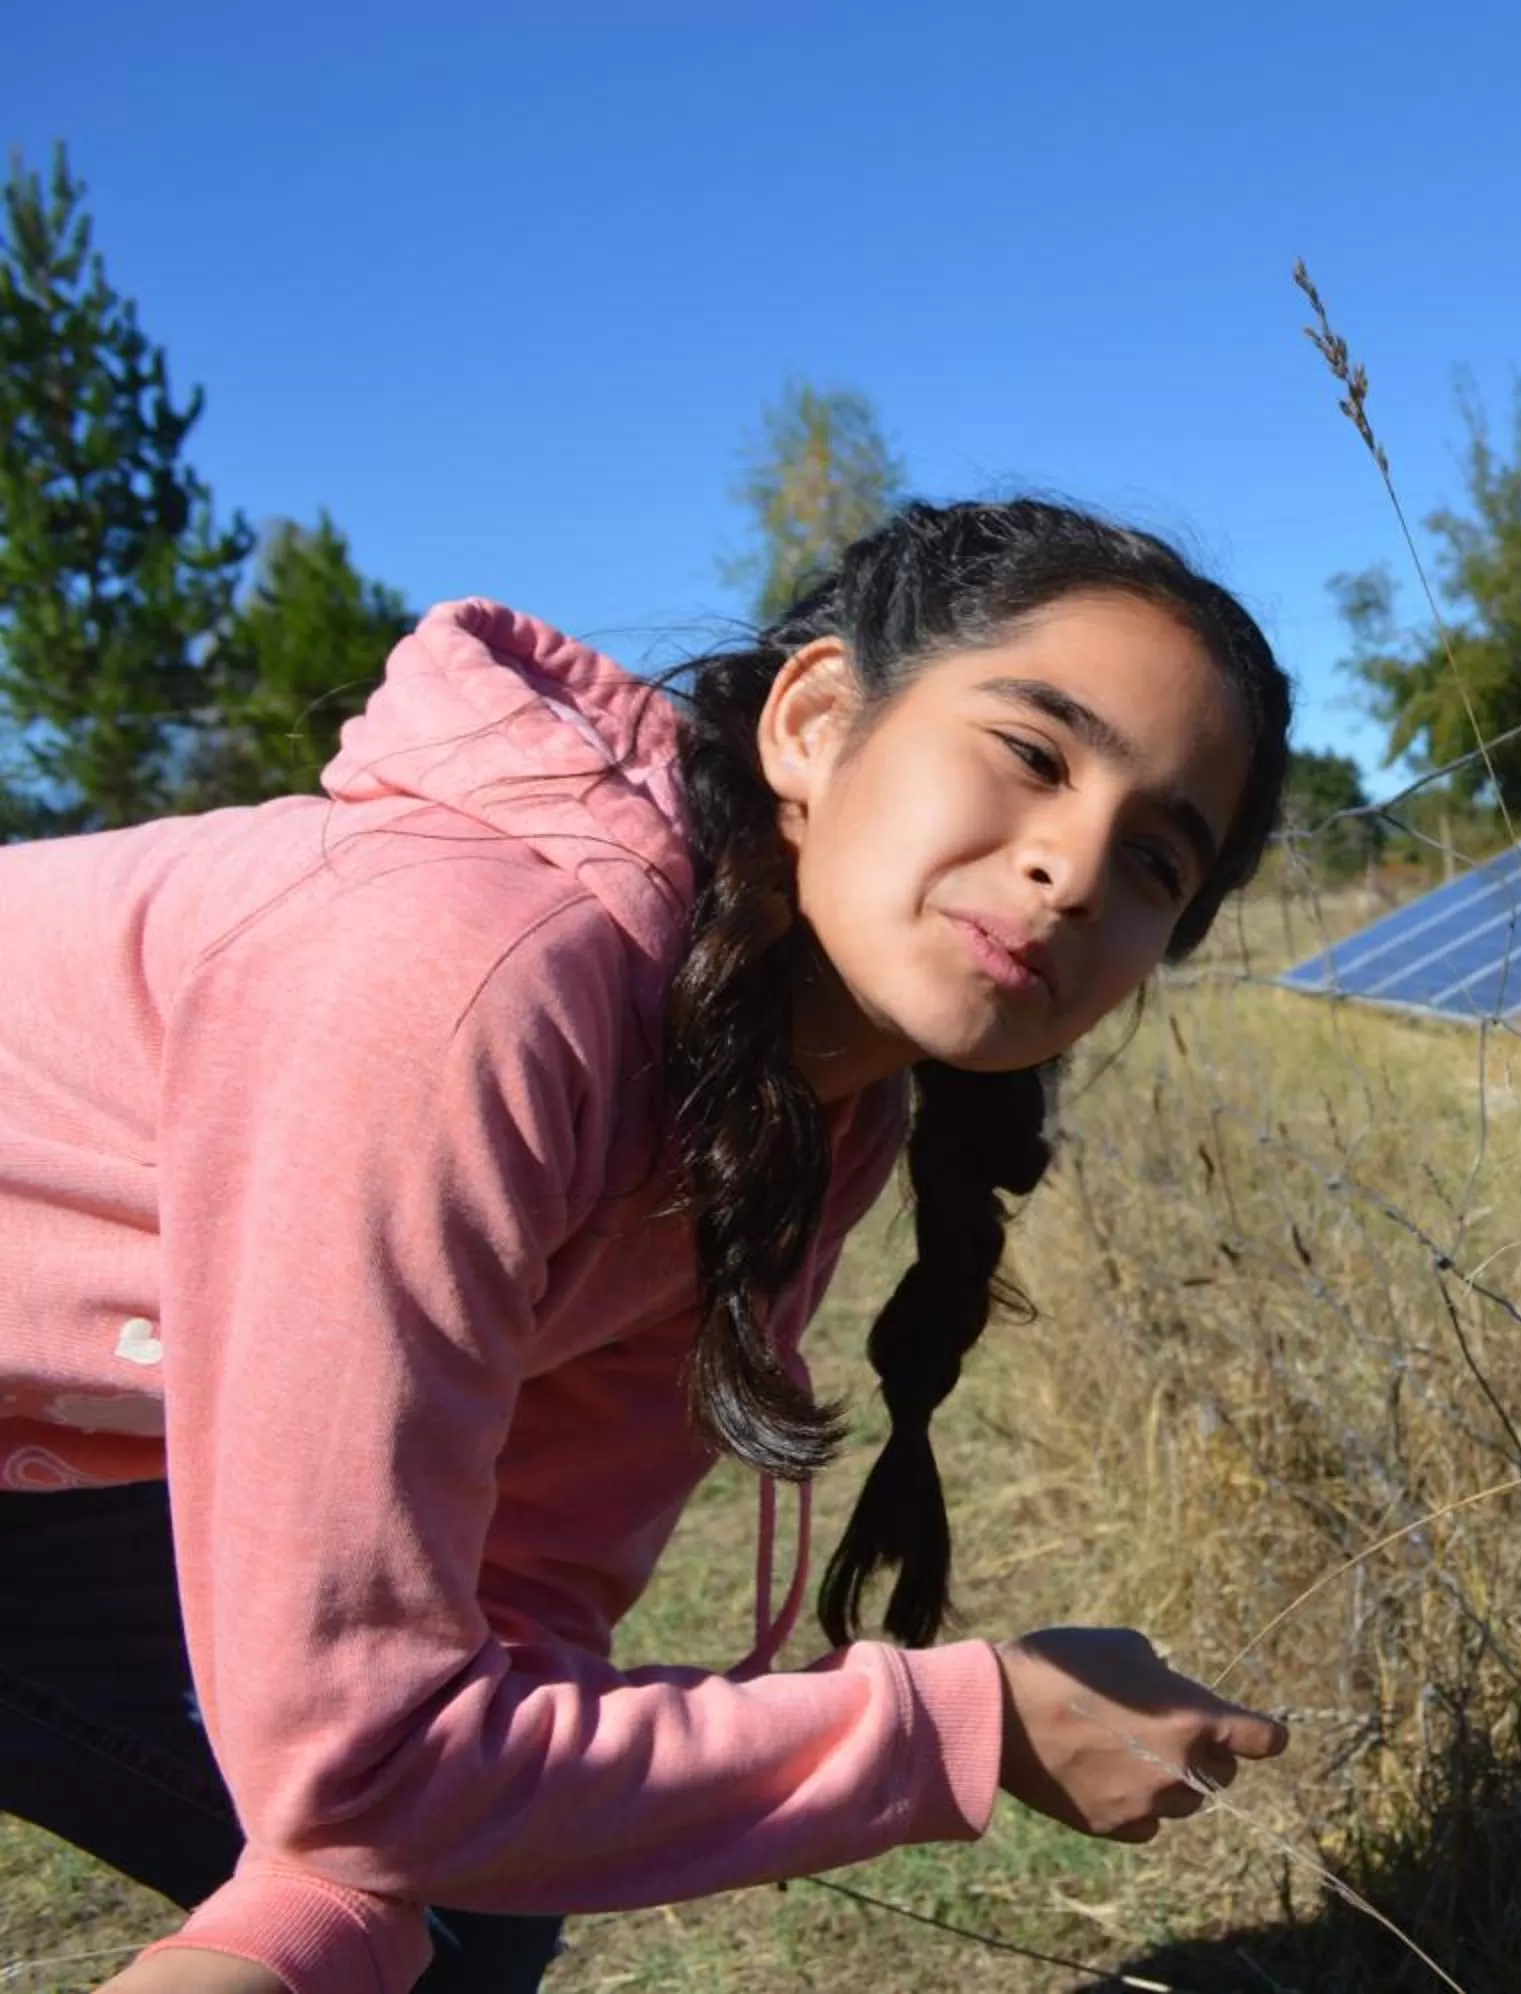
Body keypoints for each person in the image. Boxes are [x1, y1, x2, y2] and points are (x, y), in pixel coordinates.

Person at [0, 497, 1297, 1994]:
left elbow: (521, 1590)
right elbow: (359, 1760)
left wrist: (318, 1921)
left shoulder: (814, 1099)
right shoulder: (459, 983)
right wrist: (970, 1723)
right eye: (1031, 752)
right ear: (814, 721)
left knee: (466, 1913)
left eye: (1155, 861)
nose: (1073, 866)